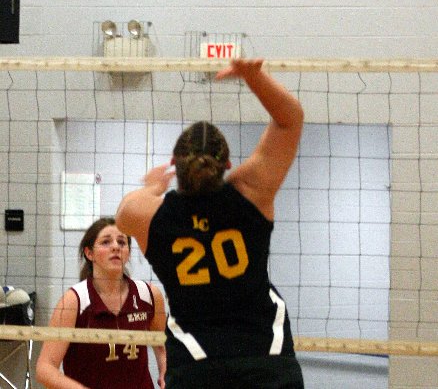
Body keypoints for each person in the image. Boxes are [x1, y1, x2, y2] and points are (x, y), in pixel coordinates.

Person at [116, 58, 305, 389]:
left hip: (195, 363)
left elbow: (124, 212)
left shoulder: (150, 216)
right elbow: (290, 120)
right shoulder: (250, 193)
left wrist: (154, 186)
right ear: (227, 164)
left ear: (175, 164)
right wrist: (253, 76)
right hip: (265, 355)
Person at [36, 217, 166, 389]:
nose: (116, 247)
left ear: (128, 253)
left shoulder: (148, 295)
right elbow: (45, 369)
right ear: (89, 253)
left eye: (122, 242)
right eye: (106, 242)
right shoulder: (74, 301)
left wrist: (165, 371)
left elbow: (162, 344)